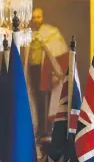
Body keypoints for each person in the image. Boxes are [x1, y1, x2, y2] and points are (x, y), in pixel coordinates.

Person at [24, 7, 68, 136]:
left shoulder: (52, 33)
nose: (36, 20)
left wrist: (56, 73)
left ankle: (46, 131)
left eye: (38, 16)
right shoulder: (28, 35)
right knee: (35, 98)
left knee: (45, 100)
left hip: (47, 72)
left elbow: (61, 54)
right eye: (34, 17)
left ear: (43, 17)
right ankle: (37, 129)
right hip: (33, 69)